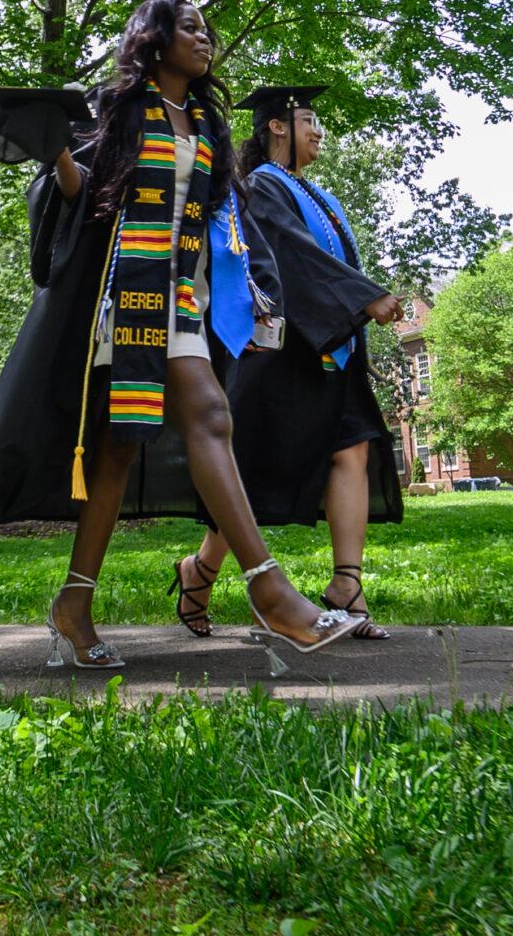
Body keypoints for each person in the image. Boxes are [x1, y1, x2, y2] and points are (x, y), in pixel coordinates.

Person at [0, 0, 360, 669]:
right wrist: (54, 151)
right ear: (155, 39)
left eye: (207, 29)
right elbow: (84, 193)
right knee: (208, 413)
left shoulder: (205, 122)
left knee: (116, 453)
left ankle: (74, 602)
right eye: (190, 27)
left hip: (183, 297)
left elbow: (230, 223)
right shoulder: (123, 114)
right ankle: (270, 590)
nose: (205, 38)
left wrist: (255, 299)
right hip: (128, 297)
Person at [174, 86, 405, 640]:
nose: (318, 131)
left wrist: (352, 307)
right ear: (278, 126)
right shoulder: (260, 187)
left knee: (351, 451)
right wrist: (363, 296)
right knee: (253, 470)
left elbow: (322, 253)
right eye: (309, 120)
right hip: (284, 353)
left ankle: (346, 587)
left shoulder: (315, 193)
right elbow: (294, 255)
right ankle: (200, 571)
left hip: (332, 347)